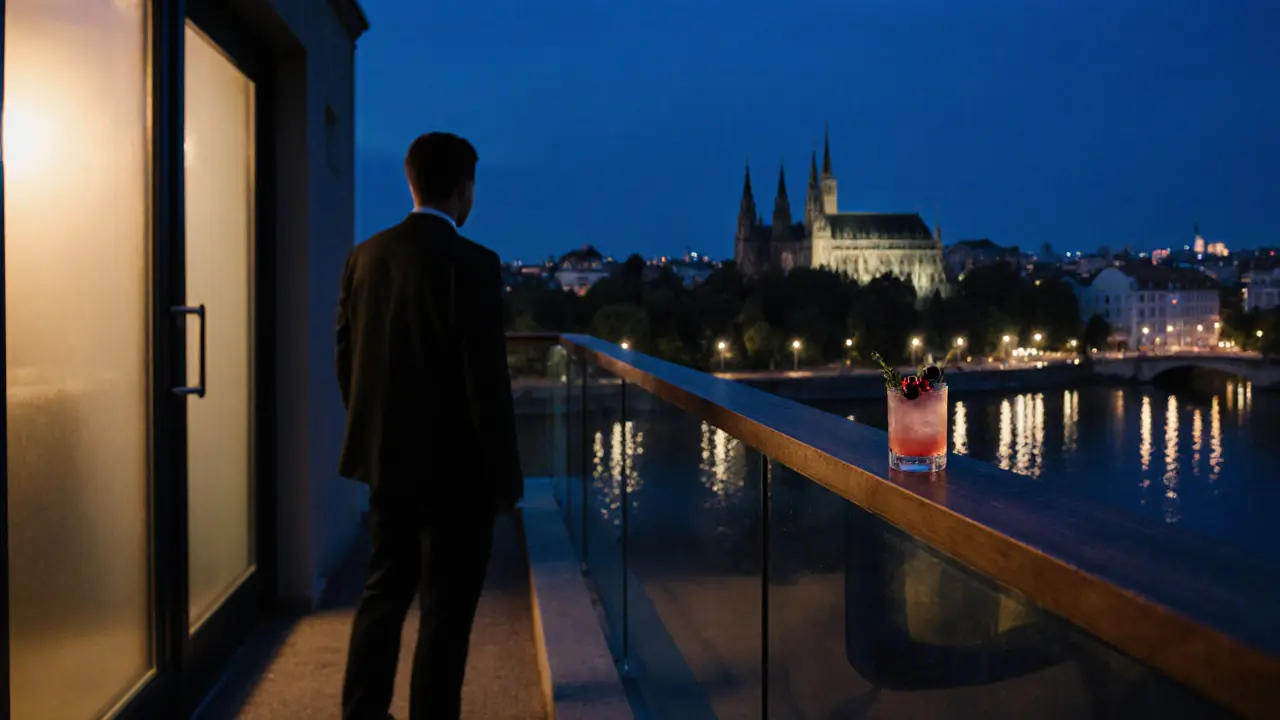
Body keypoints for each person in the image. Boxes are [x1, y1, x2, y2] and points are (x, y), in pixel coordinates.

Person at [336, 131, 524, 720]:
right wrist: (505, 481)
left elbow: (347, 360)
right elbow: (484, 384)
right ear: (465, 189)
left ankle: (362, 713)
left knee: (382, 594)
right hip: (456, 476)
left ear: (410, 180)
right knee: (445, 616)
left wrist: (374, 432)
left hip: (387, 464)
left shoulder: (365, 256)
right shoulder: (474, 265)